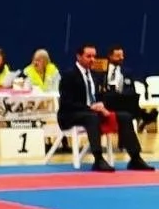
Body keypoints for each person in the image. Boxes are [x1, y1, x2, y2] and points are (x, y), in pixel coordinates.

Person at [57, 41, 150, 173]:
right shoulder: (69, 75)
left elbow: (99, 97)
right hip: (71, 114)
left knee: (125, 116)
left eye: (94, 56)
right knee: (92, 117)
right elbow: (67, 102)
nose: (92, 59)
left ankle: (135, 158)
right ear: (78, 57)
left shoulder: (95, 75)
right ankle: (98, 158)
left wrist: (102, 106)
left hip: (93, 112)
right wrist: (91, 108)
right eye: (88, 56)